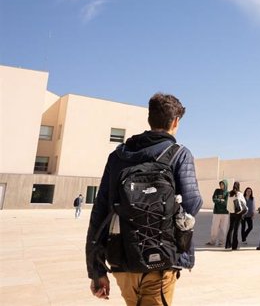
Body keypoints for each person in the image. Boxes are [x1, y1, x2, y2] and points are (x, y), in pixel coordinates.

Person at [85, 93, 203, 305]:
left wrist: (96, 269)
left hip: (122, 258)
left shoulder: (118, 156)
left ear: (150, 118)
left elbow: (100, 211)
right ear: (175, 121)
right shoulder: (179, 154)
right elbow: (192, 202)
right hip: (163, 258)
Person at [206, 180, 229, 246]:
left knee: (223, 228)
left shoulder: (227, 193)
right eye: (220, 184)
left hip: (225, 213)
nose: (221, 186)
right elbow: (214, 199)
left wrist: (219, 201)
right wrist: (221, 200)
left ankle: (221, 242)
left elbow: (226, 202)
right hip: (216, 212)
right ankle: (212, 241)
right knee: (214, 227)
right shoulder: (217, 191)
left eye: (223, 184)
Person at [225, 181, 246, 250]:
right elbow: (244, 203)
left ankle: (228, 244)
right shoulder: (239, 194)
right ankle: (234, 245)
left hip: (231, 213)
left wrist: (230, 210)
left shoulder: (230, 194)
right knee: (236, 229)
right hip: (238, 213)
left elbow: (228, 204)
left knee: (231, 228)